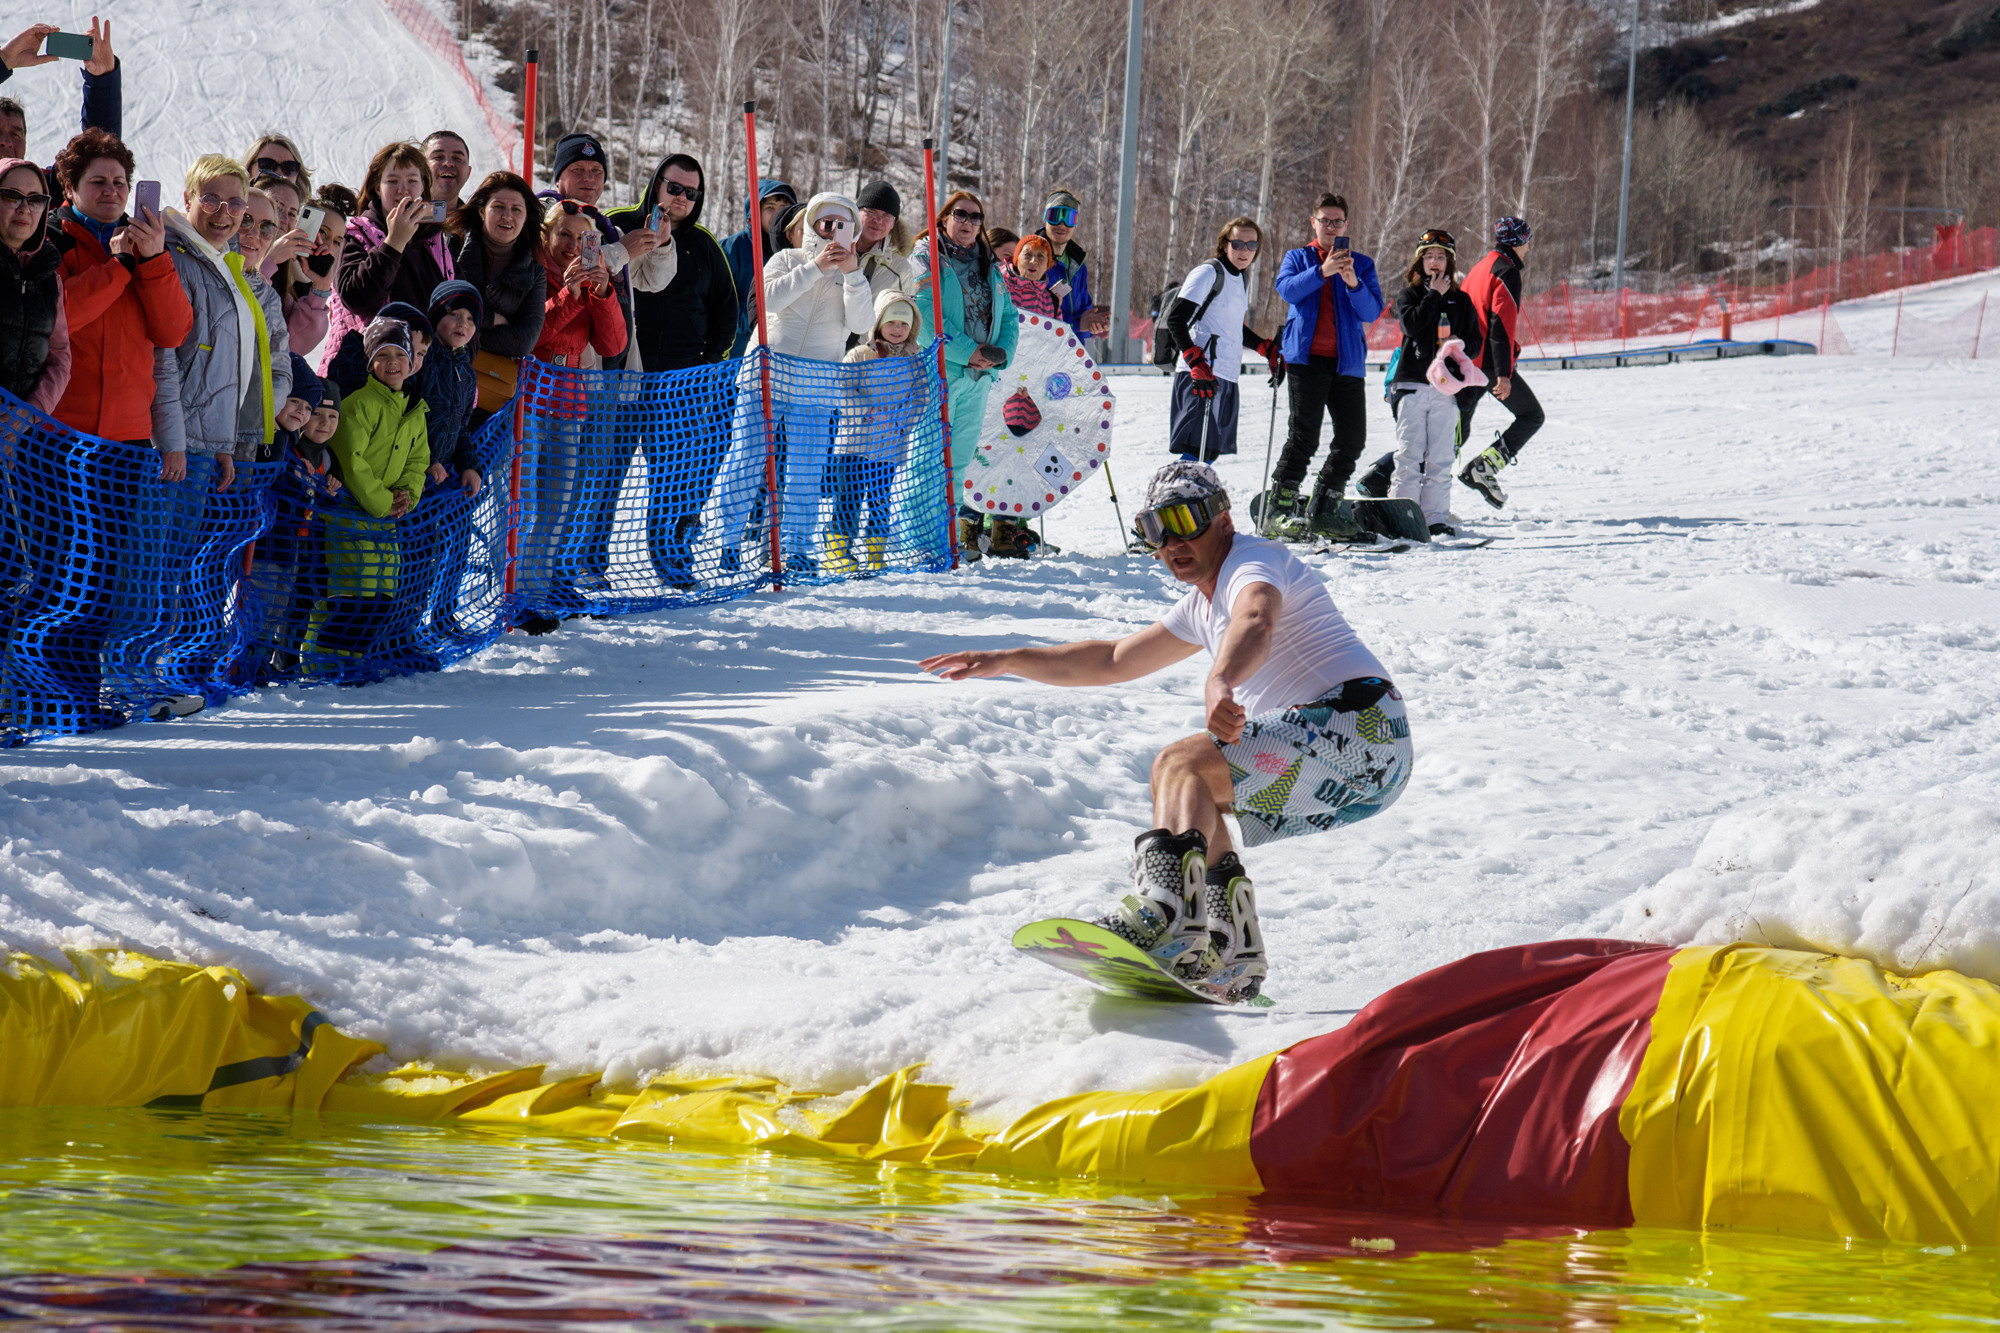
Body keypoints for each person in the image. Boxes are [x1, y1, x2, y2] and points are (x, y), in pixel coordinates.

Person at [918, 460, 1410, 1003]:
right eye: (1155, 529)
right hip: (1363, 761)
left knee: (1181, 763)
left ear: (1222, 518)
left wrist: (1222, 677)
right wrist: (1009, 658)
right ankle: (1230, 950)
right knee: (1185, 786)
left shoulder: (1254, 562)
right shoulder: (1201, 603)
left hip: (1363, 726)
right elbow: (1111, 660)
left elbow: (1256, 619)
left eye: (1184, 520)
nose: (1171, 541)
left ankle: (1166, 922)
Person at [708, 192, 873, 576]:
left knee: (806, 469)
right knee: (745, 459)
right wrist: (815, 266)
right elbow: (767, 300)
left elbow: (863, 325)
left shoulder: (854, 274)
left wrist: (851, 274)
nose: (831, 231)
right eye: (824, 222)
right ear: (810, 225)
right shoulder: (785, 260)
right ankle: (726, 542)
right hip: (765, 375)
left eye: (841, 224)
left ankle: (796, 546)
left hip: (817, 384)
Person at [604, 151, 734, 586]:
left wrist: (706, 367)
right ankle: (590, 557)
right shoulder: (619, 224)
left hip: (680, 382)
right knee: (606, 472)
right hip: (620, 374)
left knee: (675, 476)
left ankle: (669, 554)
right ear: (656, 184)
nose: (680, 198)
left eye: (691, 193)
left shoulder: (705, 245)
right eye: (674, 187)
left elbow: (726, 312)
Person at [49, 128, 192, 444]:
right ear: (70, 188)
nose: (111, 191)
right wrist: (118, 267)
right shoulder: (50, 238)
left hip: (128, 435)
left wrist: (154, 260)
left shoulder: (147, 244)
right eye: (98, 182)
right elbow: (58, 317)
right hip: (59, 429)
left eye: (120, 183)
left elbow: (173, 332)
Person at [306, 316, 429, 663]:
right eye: (383, 355)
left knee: (383, 596)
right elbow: (353, 461)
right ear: (370, 362)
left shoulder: (414, 410)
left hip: (385, 520)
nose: (393, 363)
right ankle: (325, 658)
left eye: (400, 355)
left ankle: (354, 658)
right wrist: (383, 502)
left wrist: (407, 496)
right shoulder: (358, 404)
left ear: (412, 362)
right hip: (351, 516)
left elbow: (418, 460)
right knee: (352, 593)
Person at [520, 199, 624, 604]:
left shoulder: (592, 280)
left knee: (556, 504)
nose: (572, 244)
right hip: (529, 393)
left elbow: (613, 344)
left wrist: (602, 293)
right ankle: (515, 589)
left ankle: (540, 588)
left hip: (569, 396)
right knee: (523, 503)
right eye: (564, 234)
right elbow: (535, 334)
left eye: (584, 238)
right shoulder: (533, 272)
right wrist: (569, 292)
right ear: (546, 236)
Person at [1268, 193, 1384, 536]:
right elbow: (1286, 290)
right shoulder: (1298, 257)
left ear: (1346, 225)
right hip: (1306, 360)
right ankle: (1280, 509)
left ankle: (1324, 507)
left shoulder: (1360, 264)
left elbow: (1372, 312)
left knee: (1351, 439)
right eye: (1325, 220)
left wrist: (1352, 283)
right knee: (1304, 436)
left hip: (1347, 363)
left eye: (1337, 221)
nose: (1331, 227)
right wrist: (1321, 272)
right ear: (1313, 222)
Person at [910, 189, 1017, 536]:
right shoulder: (928, 257)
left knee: (958, 460)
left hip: (979, 377)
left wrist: (999, 355)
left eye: (976, 217)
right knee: (928, 459)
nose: (968, 222)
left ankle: (943, 535)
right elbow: (925, 315)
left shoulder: (988, 264)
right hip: (939, 371)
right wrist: (970, 351)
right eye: (961, 214)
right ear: (944, 218)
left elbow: (1010, 316)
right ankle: (917, 539)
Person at [324, 142, 453, 374]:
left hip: (425, 376)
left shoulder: (435, 241)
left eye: (412, 181)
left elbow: (458, 305)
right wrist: (394, 243)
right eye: (392, 181)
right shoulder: (356, 234)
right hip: (368, 372)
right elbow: (356, 298)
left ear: (424, 187)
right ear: (377, 187)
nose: (402, 190)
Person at [1164, 216, 1283, 466]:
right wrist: (1195, 360)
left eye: (1251, 246)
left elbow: (1231, 326)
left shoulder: (1241, 278)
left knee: (1210, 450)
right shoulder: (1208, 272)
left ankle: (1189, 498)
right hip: (1201, 372)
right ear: (1224, 244)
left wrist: (1263, 347)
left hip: (1226, 373)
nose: (1245, 251)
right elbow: (1176, 319)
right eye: (1238, 243)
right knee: (1196, 448)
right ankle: (1172, 497)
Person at [1387, 229, 1481, 535]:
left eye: (1441, 257)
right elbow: (1411, 325)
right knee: (1409, 454)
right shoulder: (1410, 295)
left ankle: (1435, 519)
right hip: (1412, 384)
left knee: (1441, 456)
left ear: (1450, 263)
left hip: (1446, 386)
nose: (1435, 262)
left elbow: (1476, 342)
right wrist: (1434, 295)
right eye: (1429, 257)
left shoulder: (1462, 300)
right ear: (1420, 262)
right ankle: (1403, 518)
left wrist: (1459, 345)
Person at [541, 131, 659, 371]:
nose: (589, 178)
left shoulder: (610, 230)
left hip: (603, 372)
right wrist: (621, 252)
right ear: (558, 178)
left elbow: (654, 280)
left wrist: (662, 244)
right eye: (577, 170)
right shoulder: (539, 221)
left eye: (597, 171)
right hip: (546, 371)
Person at [833, 289, 927, 574]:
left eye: (903, 324)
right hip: (854, 445)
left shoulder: (914, 361)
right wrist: (864, 410)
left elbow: (919, 398)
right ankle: (838, 551)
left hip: (888, 446)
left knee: (880, 500)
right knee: (848, 498)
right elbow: (843, 390)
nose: (897, 330)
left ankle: (876, 550)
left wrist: (900, 421)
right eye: (891, 323)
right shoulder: (860, 355)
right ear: (878, 323)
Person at [1455, 215, 1543, 509]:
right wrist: (1504, 374)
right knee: (1532, 415)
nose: (1529, 247)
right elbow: (1500, 326)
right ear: (1517, 242)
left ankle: (1389, 475)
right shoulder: (1506, 271)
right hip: (1488, 363)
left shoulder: (1481, 267)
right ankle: (1484, 468)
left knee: (1453, 433)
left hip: (1468, 362)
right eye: (1527, 241)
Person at [446, 170, 547, 366]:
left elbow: (523, 341)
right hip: (442, 370)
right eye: (499, 207)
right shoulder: (451, 247)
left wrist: (461, 331)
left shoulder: (535, 272)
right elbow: (439, 311)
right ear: (482, 211)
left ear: (526, 217)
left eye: (516, 209)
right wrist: (491, 319)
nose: (507, 216)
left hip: (492, 380)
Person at [230, 185, 295, 460]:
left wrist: (257, 411)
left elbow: (281, 371)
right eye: (245, 220)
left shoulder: (267, 297)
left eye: (267, 227)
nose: (254, 234)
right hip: (191, 438)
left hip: (243, 442)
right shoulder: (200, 276)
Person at [0, 18, 121, 163]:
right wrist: (5, 59)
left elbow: (98, 155)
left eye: (16, 134)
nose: (6, 142)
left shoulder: (42, 185)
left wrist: (103, 81)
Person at [249, 172, 332, 358]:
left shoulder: (282, 277)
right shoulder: (232, 256)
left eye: (293, 214)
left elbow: (293, 345)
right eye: (278, 208)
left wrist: (320, 289)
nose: (284, 220)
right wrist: (267, 263)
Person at [722, 176, 794, 357]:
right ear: (755, 212)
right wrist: (757, 321)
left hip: (778, 359)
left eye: (783, 208)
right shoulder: (731, 249)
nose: (778, 214)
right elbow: (717, 304)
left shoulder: (795, 253)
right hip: (733, 357)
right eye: (770, 208)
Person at [1032, 189, 1110, 340]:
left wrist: (1092, 324)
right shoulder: (1031, 258)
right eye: (1055, 216)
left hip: (1070, 352)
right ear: (1045, 218)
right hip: (1040, 350)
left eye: (1069, 218)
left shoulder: (1078, 265)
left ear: (1076, 223)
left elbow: (1084, 313)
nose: (1062, 224)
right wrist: (1077, 325)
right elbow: (1031, 312)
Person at [853, 179, 913, 298]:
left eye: (886, 216)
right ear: (856, 213)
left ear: (893, 223)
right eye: (871, 212)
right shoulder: (833, 248)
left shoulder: (900, 269)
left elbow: (905, 313)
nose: (878, 220)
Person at [999, 233, 1058, 318]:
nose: (1033, 261)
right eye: (1028, 255)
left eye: (1040, 256)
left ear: (1047, 265)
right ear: (1017, 259)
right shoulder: (998, 284)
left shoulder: (1051, 302)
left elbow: (1057, 330)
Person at [423, 130, 472, 207]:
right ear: (420, 169)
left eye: (457, 158)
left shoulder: (480, 218)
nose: (449, 163)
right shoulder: (400, 215)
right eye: (438, 157)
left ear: (468, 173)